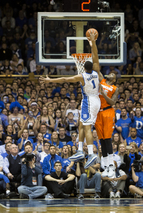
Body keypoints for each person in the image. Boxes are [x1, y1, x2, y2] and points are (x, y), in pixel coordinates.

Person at [40, 32, 102, 169]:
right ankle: (80, 150)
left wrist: (50, 80)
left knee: (87, 127)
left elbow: (64, 79)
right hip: (96, 100)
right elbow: (95, 56)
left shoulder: (82, 76)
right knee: (81, 124)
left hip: (89, 101)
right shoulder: (97, 71)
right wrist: (93, 44)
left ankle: (91, 153)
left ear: (83, 68)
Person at [91, 30, 119, 178]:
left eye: (114, 74)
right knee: (101, 139)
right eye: (111, 72)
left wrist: (102, 93)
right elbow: (97, 66)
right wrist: (93, 44)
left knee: (108, 138)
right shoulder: (101, 79)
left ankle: (110, 165)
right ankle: (105, 164)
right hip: (98, 112)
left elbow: (113, 102)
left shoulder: (115, 88)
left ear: (114, 80)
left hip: (108, 111)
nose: (111, 73)